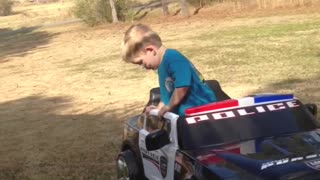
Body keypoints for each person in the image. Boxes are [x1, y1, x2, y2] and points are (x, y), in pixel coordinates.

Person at [121, 24, 216, 117]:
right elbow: (167, 94)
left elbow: (182, 87)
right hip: (186, 115)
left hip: (202, 111)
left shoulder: (173, 58)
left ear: (150, 50)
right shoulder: (162, 66)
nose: (142, 67)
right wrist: (159, 109)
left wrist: (169, 106)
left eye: (141, 62)